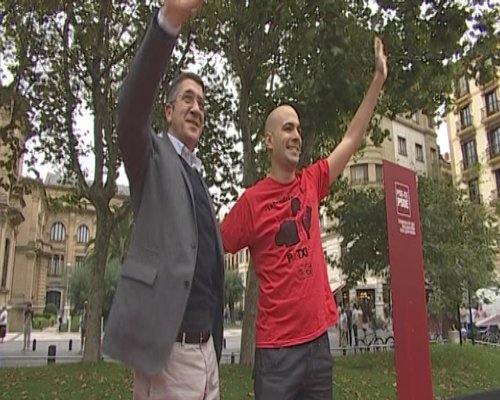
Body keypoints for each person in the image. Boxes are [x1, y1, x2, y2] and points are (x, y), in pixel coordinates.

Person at [221, 36, 387, 399]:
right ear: (268, 141)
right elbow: (213, 247)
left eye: (297, 128)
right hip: (276, 355)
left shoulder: (312, 182)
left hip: (317, 348)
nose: (296, 135)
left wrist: (377, 79)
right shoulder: (251, 202)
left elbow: (351, 140)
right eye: (288, 128)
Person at [103, 1, 224, 399]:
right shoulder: (150, 157)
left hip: (206, 352)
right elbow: (130, 111)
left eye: (202, 103)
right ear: (168, 111)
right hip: (168, 356)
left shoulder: (198, 176)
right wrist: (168, 23)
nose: (197, 108)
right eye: (188, 99)